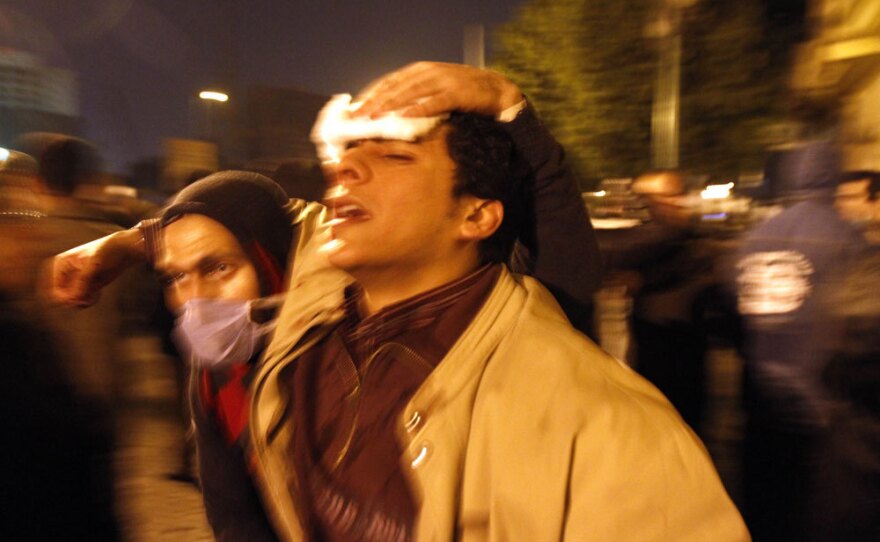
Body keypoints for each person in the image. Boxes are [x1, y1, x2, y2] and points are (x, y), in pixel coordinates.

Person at [51, 63, 744, 540]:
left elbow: (565, 253)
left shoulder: (603, 425)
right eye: (346, 155)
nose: (345, 168)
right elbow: (231, 220)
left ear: (476, 215)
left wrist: (509, 106)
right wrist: (116, 247)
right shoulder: (313, 293)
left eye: (396, 156)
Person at [730, 140, 868, 541]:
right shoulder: (848, 240)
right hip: (821, 408)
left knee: (763, 510)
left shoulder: (754, 237)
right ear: (833, 178)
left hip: (760, 400)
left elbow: (734, 310)